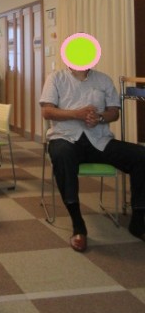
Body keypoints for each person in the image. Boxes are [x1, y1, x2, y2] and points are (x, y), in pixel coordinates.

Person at [40, 67, 145, 252]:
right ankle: (78, 225)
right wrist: (76, 114)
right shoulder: (55, 78)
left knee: (140, 155)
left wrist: (100, 117)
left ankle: (138, 220)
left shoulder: (104, 79)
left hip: (99, 140)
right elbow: (47, 111)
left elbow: (114, 112)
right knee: (62, 154)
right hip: (65, 138)